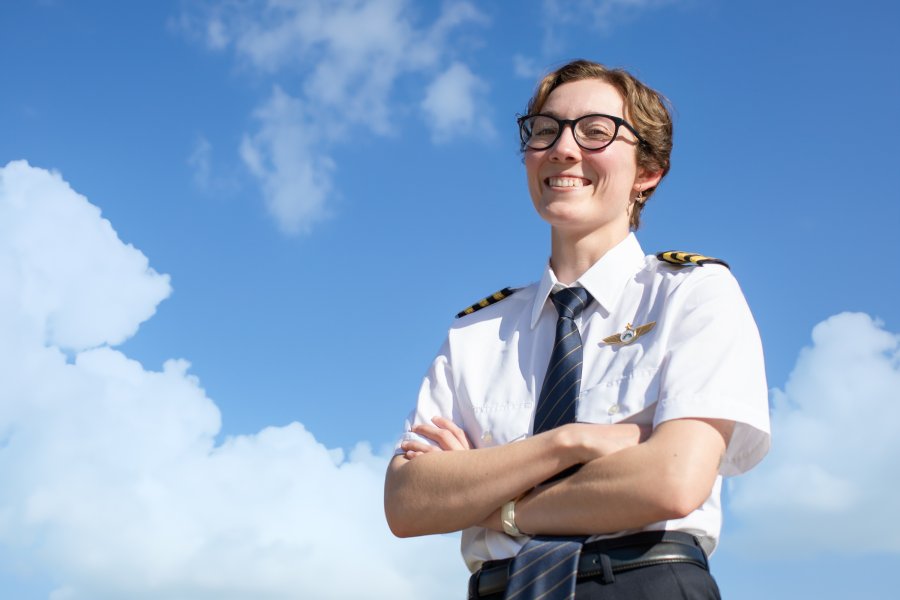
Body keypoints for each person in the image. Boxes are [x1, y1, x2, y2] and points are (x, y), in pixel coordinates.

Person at [384, 59, 770, 600]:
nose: (563, 148)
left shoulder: (693, 292)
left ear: (647, 172)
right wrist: (572, 442)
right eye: (545, 130)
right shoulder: (476, 331)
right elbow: (408, 503)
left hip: (641, 582)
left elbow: (671, 479)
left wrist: (498, 507)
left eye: (595, 131)